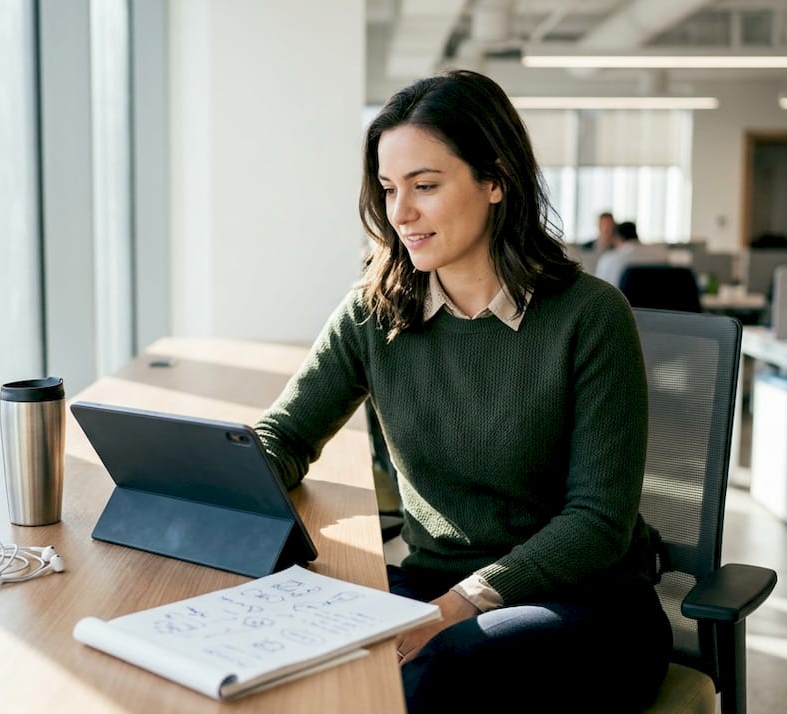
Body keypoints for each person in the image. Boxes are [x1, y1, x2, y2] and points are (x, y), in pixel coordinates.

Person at [253, 69, 672, 712]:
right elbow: (284, 436)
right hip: (435, 585)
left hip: (586, 602)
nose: (401, 213)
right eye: (390, 189)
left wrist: (459, 604)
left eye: (425, 186)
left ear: (495, 180)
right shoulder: (374, 312)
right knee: (293, 649)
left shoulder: (590, 317)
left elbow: (597, 524)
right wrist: (223, 477)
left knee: (441, 670)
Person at [593, 220, 671, 288]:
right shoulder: (660, 255)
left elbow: (597, 287)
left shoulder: (609, 259)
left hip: (620, 303)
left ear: (617, 238)